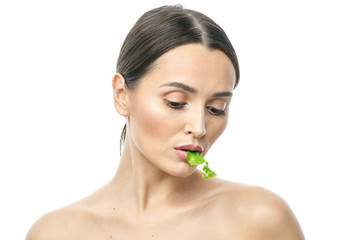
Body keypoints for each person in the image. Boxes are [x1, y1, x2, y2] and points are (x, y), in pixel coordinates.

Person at [26, 5, 304, 240]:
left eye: (216, 108)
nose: (199, 127)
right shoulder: (55, 232)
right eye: (175, 102)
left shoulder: (261, 220)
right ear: (122, 95)